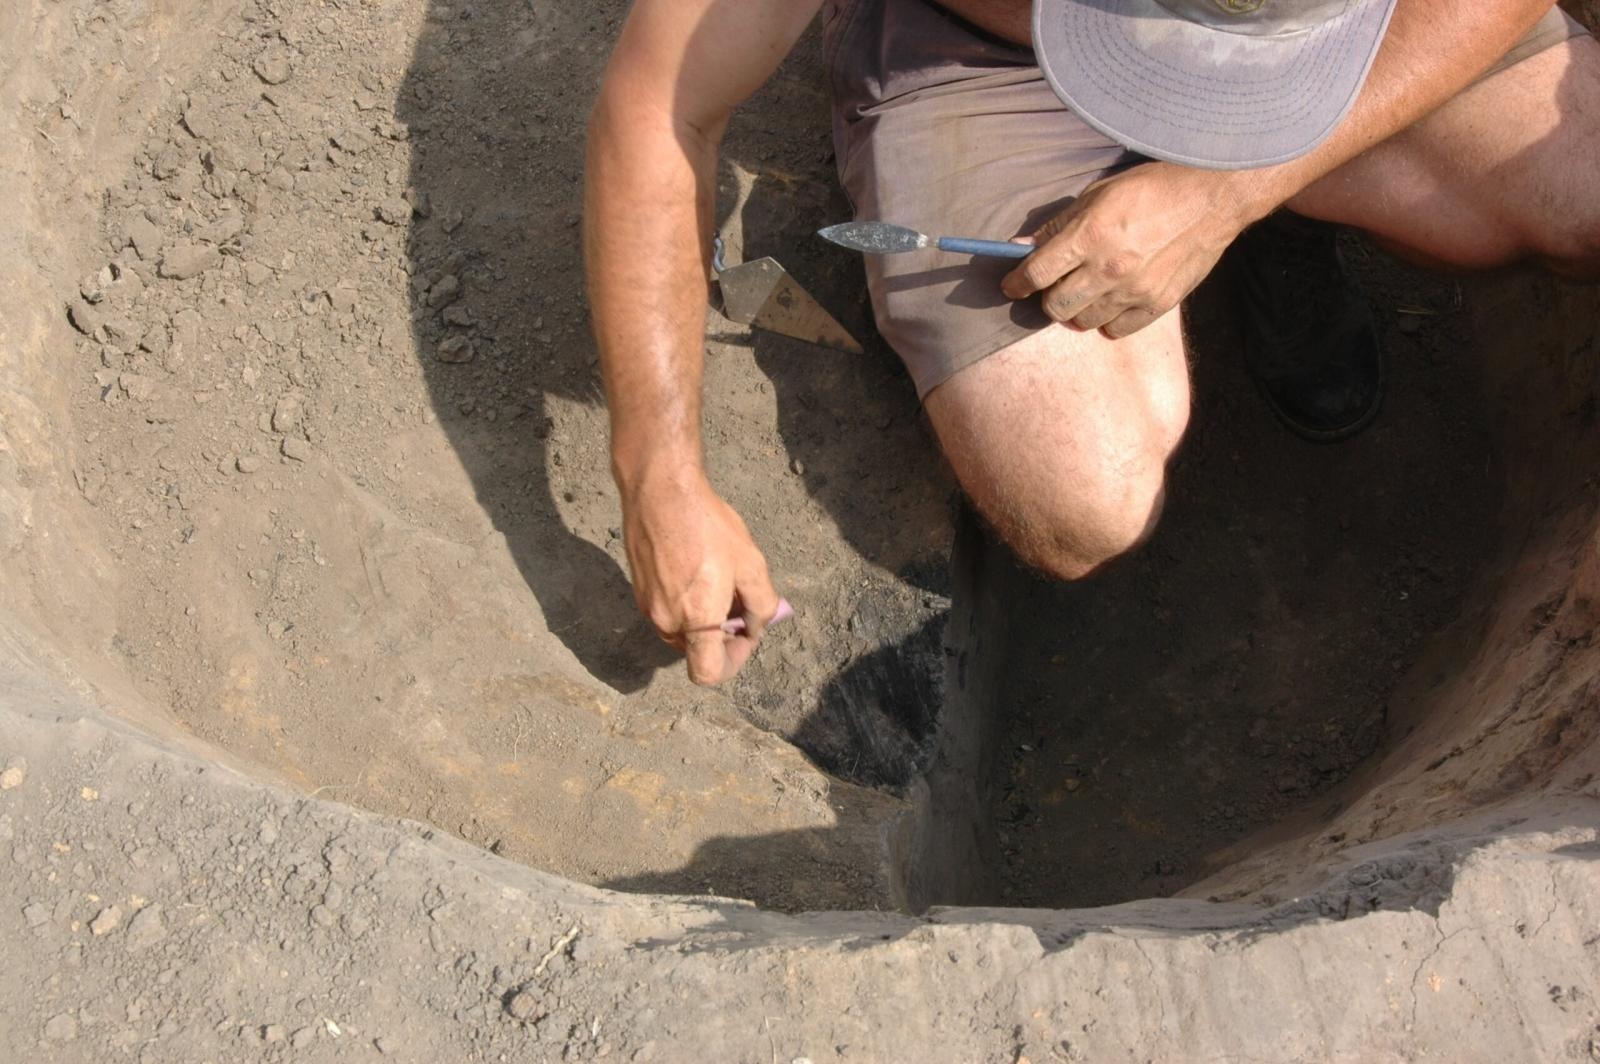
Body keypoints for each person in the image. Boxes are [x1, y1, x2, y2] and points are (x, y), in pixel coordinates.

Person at [584, 0, 1600, 686]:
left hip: (1329, 40)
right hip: (981, 47)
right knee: (1083, 493)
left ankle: (1284, 221)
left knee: (1580, 188)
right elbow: (659, 108)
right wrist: (659, 478)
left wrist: (1226, 194)